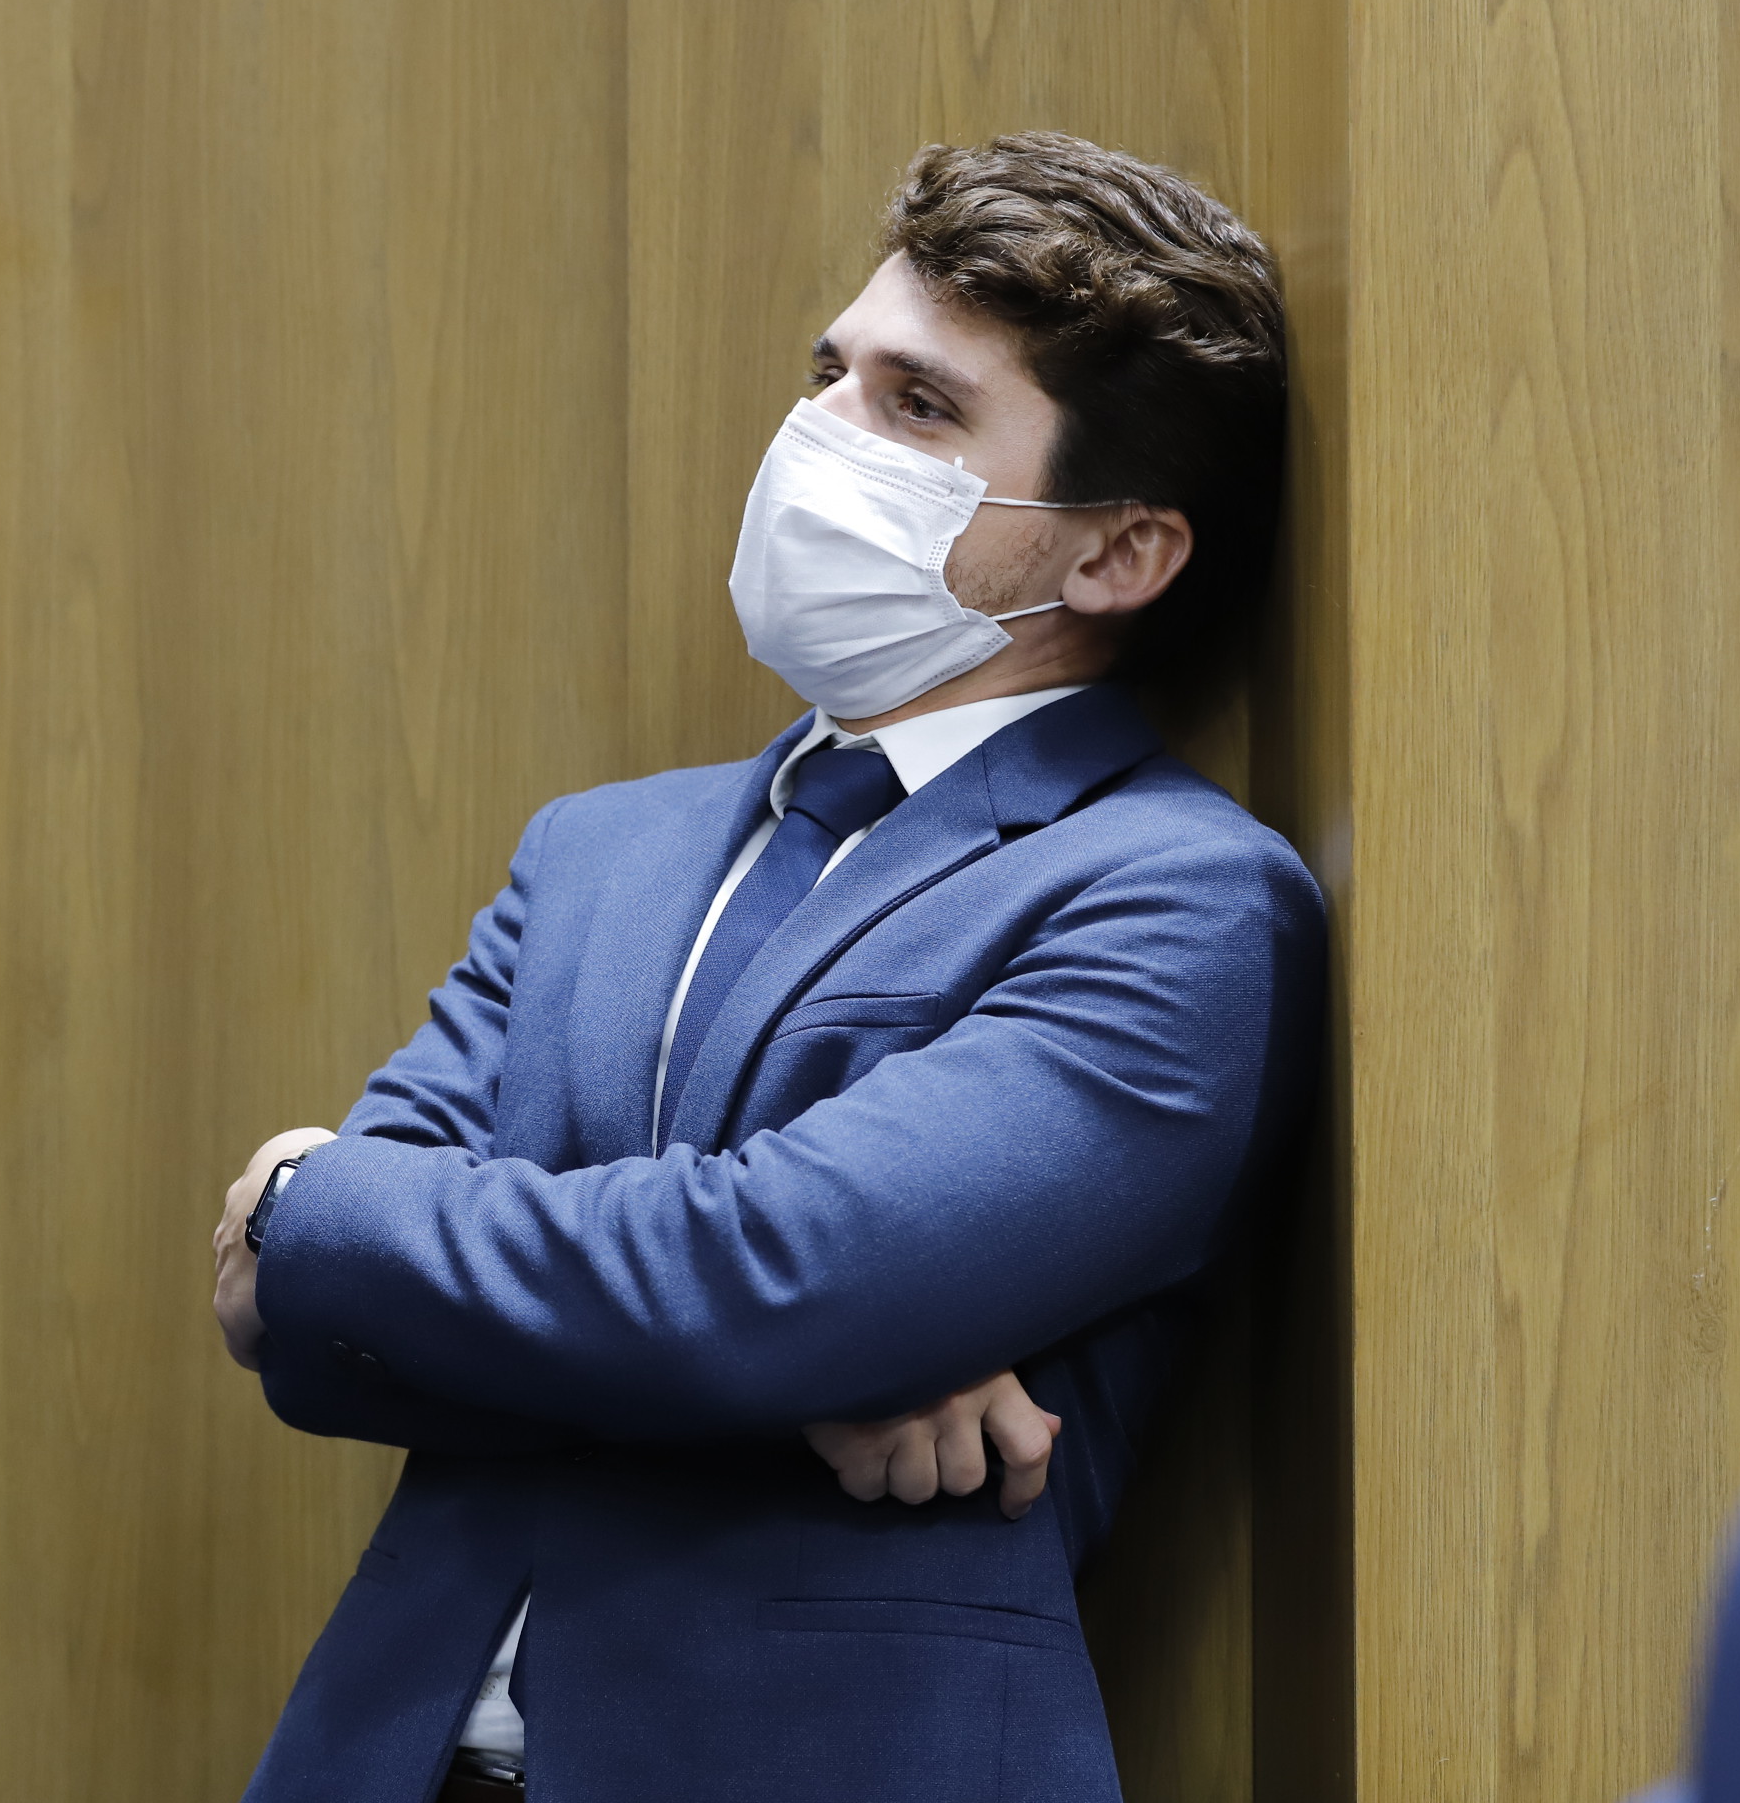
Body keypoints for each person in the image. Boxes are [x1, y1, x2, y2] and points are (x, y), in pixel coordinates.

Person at [209, 132, 1325, 1803]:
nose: (824, 433)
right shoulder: (596, 849)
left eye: (919, 406)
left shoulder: (1182, 900)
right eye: (831, 373)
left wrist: (307, 1194)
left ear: (1114, 555)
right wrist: (786, 1374)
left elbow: (765, 1279)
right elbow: (302, 1324)